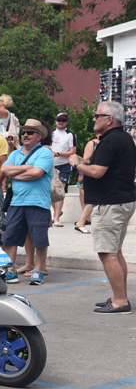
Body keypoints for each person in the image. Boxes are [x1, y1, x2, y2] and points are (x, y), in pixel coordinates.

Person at [69, 101, 136, 314]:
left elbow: (98, 172)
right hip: (119, 200)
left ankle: (120, 301)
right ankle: (120, 296)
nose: (94, 119)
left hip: (110, 203)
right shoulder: (122, 138)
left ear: (109, 119)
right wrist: (83, 160)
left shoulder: (111, 140)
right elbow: (103, 166)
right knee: (114, 251)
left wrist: (75, 164)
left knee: (107, 253)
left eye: (97, 116)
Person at [0, 119, 54, 286]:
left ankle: (38, 270)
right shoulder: (15, 154)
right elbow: (4, 169)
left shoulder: (44, 153)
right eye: (24, 132)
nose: (25, 135)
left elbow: (37, 173)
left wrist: (16, 174)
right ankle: (10, 270)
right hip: (16, 202)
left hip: (38, 202)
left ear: (39, 136)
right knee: (10, 237)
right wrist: (26, 168)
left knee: (39, 238)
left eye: (30, 132)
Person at [50, 112, 76, 226]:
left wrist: (58, 153)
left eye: (63, 120)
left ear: (67, 122)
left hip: (64, 165)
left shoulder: (70, 135)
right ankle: (57, 212)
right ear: (55, 121)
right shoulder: (51, 133)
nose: (61, 122)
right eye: (59, 120)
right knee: (51, 191)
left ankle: (56, 218)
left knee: (60, 191)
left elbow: (72, 152)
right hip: (51, 165)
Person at [74, 133, 99, 234]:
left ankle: (83, 221)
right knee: (92, 198)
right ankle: (82, 221)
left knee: (94, 198)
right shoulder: (92, 143)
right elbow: (85, 160)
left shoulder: (106, 143)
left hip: (98, 173)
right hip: (89, 172)